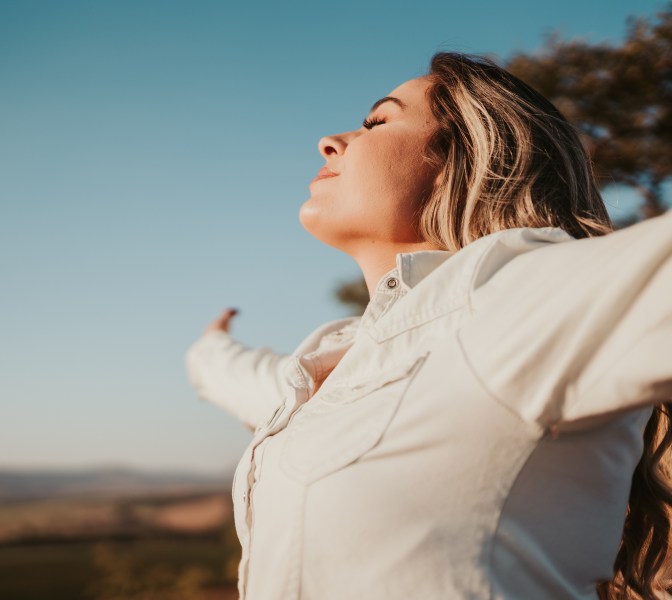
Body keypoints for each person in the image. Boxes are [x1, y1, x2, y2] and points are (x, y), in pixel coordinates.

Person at [185, 53, 672, 600]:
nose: (328, 140)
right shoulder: (335, 360)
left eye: (377, 121)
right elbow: (238, 377)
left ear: (468, 158)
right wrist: (210, 347)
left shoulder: (509, 298)